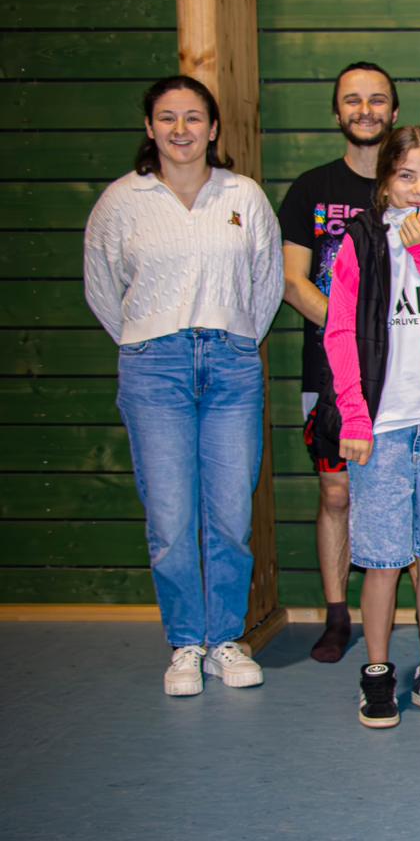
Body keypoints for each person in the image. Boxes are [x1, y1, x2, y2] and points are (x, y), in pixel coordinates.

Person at [83, 75, 283, 697]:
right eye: (167, 118)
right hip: (154, 368)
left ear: (213, 127)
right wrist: (149, 339)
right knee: (171, 519)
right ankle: (185, 644)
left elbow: (266, 284)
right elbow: (102, 288)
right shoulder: (122, 201)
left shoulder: (243, 196)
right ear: (149, 128)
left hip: (231, 365)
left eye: (193, 117)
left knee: (229, 515)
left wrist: (234, 338)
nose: (180, 130)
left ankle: (225, 639)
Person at [277, 61, 420, 662]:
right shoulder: (318, 196)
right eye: (352, 100)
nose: (365, 110)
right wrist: (360, 342)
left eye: (377, 99)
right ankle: (343, 621)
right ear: (337, 111)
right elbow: (298, 286)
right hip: (345, 384)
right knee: (341, 499)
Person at [317, 126, 420, 728]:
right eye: (407, 176)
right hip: (381, 429)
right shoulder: (359, 242)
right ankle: (378, 672)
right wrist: (354, 416)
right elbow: (339, 332)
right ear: (386, 181)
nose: (419, 188)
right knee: (383, 559)